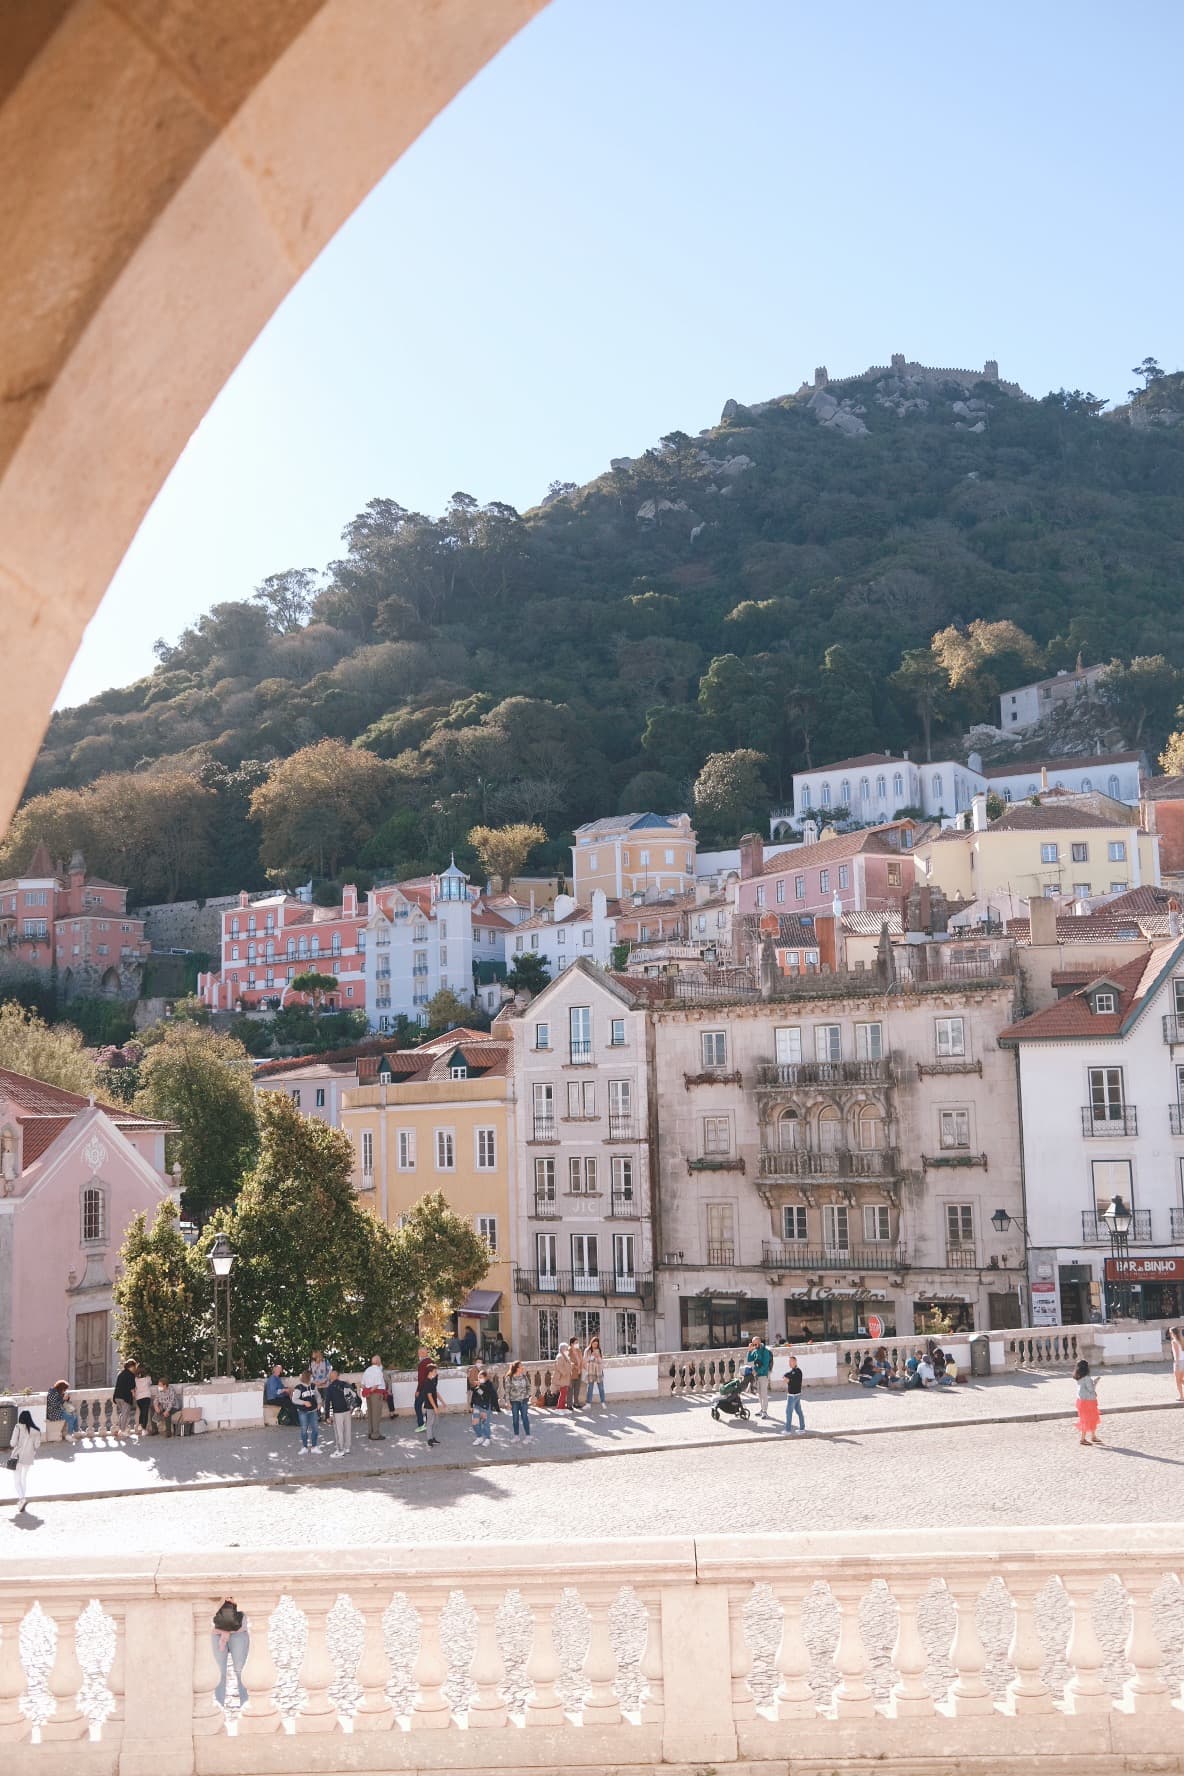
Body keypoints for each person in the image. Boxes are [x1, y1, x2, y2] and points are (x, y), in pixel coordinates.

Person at [211, 1599, 250, 1710]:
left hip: (239, 1630)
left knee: (241, 1671)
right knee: (219, 1672)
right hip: (215, 1631)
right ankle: (218, 1709)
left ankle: (246, 1708)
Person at [10, 1409, 41, 1511]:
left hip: (17, 1457)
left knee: (16, 1480)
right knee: (24, 1479)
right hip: (28, 1457)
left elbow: (12, 1443)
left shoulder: (17, 1427)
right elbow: (37, 1445)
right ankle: (22, 1500)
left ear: (21, 1418)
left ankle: (22, 1498)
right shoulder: (36, 1430)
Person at [324, 1368, 356, 1458]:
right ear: (338, 1376)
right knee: (348, 1430)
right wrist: (352, 1407)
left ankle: (340, 1450)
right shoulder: (345, 1384)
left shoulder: (330, 1387)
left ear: (330, 1377)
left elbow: (327, 1402)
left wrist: (327, 1416)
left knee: (339, 1432)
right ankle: (347, 1448)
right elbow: (353, 1395)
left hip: (337, 1412)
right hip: (347, 1410)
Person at [1074, 1359, 1102, 1446]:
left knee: (1087, 1419)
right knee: (1090, 1419)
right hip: (1089, 1402)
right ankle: (1083, 1439)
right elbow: (1091, 1389)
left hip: (1081, 1401)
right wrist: (1095, 1382)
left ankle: (1093, 1436)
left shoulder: (1079, 1377)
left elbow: (1085, 1389)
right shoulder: (1087, 1378)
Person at [291, 1371, 320, 1454]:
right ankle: (304, 1447)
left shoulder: (313, 1386)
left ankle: (314, 1447)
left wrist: (319, 1403)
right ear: (307, 1377)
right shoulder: (298, 1387)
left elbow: (318, 1396)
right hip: (303, 1412)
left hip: (313, 1411)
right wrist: (304, 1402)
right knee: (304, 1430)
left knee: (315, 1429)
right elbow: (294, 1399)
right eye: (311, 1376)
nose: (312, 1378)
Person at [360, 1355, 387, 1441]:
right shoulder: (378, 1371)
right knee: (376, 1414)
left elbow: (362, 1384)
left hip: (368, 1394)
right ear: (378, 1361)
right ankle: (375, 1434)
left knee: (371, 1414)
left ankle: (370, 1432)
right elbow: (376, 1385)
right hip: (376, 1394)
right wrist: (370, 1391)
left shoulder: (367, 1370)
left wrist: (366, 1392)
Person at [471, 1367, 498, 1450]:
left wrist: (481, 1385)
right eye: (479, 1377)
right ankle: (479, 1437)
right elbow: (474, 1396)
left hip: (485, 1407)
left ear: (486, 1377)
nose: (479, 1379)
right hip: (477, 1406)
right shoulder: (477, 1386)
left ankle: (487, 1438)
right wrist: (471, 1405)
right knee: (475, 1422)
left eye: (481, 1377)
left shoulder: (489, 1385)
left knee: (485, 1423)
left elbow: (489, 1393)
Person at [507, 1360, 532, 1442]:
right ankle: (516, 1436)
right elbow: (507, 1391)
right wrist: (508, 1402)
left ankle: (528, 1436)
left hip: (524, 1400)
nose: (522, 1367)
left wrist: (527, 1395)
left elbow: (528, 1386)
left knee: (525, 1418)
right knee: (515, 1419)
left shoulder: (524, 1376)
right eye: (521, 1366)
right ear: (517, 1368)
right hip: (514, 1401)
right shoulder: (509, 1377)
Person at [420, 1360, 443, 1446]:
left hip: (433, 1405)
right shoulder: (427, 1382)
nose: (436, 1372)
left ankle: (432, 1438)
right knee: (430, 1423)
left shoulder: (432, 1381)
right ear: (430, 1372)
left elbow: (435, 1393)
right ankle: (429, 1439)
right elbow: (429, 1396)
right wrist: (435, 1407)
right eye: (435, 1371)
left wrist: (442, 1402)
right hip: (429, 1406)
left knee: (434, 1422)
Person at [112, 1361, 138, 1435]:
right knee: (125, 1414)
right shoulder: (131, 1375)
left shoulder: (120, 1374)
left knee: (123, 1413)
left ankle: (121, 1428)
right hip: (125, 1397)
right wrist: (133, 1396)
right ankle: (122, 1430)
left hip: (117, 1397)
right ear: (132, 1367)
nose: (135, 1368)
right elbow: (132, 1388)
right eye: (134, 1367)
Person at [413, 1347, 435, 1433]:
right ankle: (428, 1423)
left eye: (419, 1353)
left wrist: (418, 1390)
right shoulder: (431, 1362)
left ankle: (421, 1424)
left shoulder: (422, 1363)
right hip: (430, 1387)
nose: (418, 1355)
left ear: (422, 1353)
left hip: (423, 1388)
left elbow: (421, 1378)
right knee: (427, 1405)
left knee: (417, 1405)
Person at [751, 1336, 774, 1417]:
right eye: (753, 1344)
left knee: (764, 1393)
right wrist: (749, 1350)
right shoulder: (755, 1351)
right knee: (760, 1394)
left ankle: (765, 1411)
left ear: (759, 1342)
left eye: (755, 1344)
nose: (754, 1346)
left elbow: (765, 1365)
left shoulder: (765, 1351)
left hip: (764, 1375)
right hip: (757, 1375)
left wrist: (757, 1372)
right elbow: (749, 1359)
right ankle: (762, 1409)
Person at [784, 1354, 805, 1434]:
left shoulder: (796, 1371)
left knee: (788, 1412)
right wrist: (786, 1378)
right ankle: (802, 1428)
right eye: (789, 1361)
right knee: (799, 1411)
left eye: (791, 1361)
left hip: (792, 1395)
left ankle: (788, 1430)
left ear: (795, 1362)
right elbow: (787, 1375)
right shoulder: (794, 1371)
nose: (789, 1363)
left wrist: (786, 1379)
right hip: (797, 1395)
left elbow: (788, 1380)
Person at [584, 1336, 606, 1408]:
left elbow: (602, 1362)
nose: (595, 1345)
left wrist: (598, 1357)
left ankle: (603, 1402)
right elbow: (585, 1361)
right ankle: (588, 1403)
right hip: (590, 1371)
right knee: (590, 1387)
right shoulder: (587, 1350)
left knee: (601, 1388)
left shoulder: (599, 1350)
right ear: (591, 1343)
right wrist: (591, 1356)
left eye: (596, 1344)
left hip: (599, 1371)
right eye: (594, 1344)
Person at [309, 1350, 331, 1418]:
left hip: (325, 1384)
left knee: (326, 1401)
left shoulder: (325, 1362)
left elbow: (329, 1372)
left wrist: (324, 1381)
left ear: (317, 1355)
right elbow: (310, 1374)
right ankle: (317, 1416)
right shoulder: (311, 1364)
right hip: (316, 1385)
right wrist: (314, 1382)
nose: (312, 1356)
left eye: (313, 1355)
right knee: (316, 1401)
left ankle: (327, 1416)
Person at [553, 1343, 573, 1411]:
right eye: (566, 1348)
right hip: (562, 1377)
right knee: (563, 1393)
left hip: (565, 1377)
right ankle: (559, 1407)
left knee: (564, 1393)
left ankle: (562, 1407)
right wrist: (564, 1373)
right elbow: (559, 1367)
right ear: (562, 1349)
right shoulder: (560, 1356)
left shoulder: (564, 1356)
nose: (567, 1350)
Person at [134, 1365, 153, 1432]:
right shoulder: (148, 1378)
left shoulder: (135, 1379)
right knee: (145, 1412)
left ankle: (140, 1424)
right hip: (146, 1397)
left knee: (142, 1411)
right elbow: (150, 1383)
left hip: (138, 1398)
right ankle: (144, 1429)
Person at [567, 1339, 584, 1410]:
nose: (577, 1344)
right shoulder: (568, 1351)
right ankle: (569, 1405)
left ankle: (576, 1403)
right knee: (570, 1389)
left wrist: (580, 1367)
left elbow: (581, 1360)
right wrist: (574, 1365)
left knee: (577, 1389)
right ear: (571, 1344)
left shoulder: (579, 1351)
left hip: (579, 1372)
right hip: (571, 1373)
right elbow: (567, 1361)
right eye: (576, 1343)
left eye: (578, 1342)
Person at [1169, 1327, 1184, 1402]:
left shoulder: (1174, 1341)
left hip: (1179, 1362)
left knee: (1178, 1381)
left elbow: (1177, 1353)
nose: (1170, 1334)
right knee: (1181, 1380)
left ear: (1173, 1333)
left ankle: (1181, 1397)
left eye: (1170, 1333)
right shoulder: (1182, 1340)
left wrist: (1177, 1363)